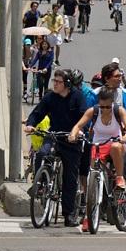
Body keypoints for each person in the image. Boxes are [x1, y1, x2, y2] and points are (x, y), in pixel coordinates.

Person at [24, 69, 87, 227]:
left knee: (70, 178)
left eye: (58, 82)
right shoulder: (50, 97)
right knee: (42, 154)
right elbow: (37, 113)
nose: (55, 84)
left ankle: (68, 214)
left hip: (71, 139)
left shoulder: (78, 97)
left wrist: (78, 132)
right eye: (54, 81)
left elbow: (84, 117)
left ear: (67, 84)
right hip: (54, 135)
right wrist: (31, 124)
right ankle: (40, 184)